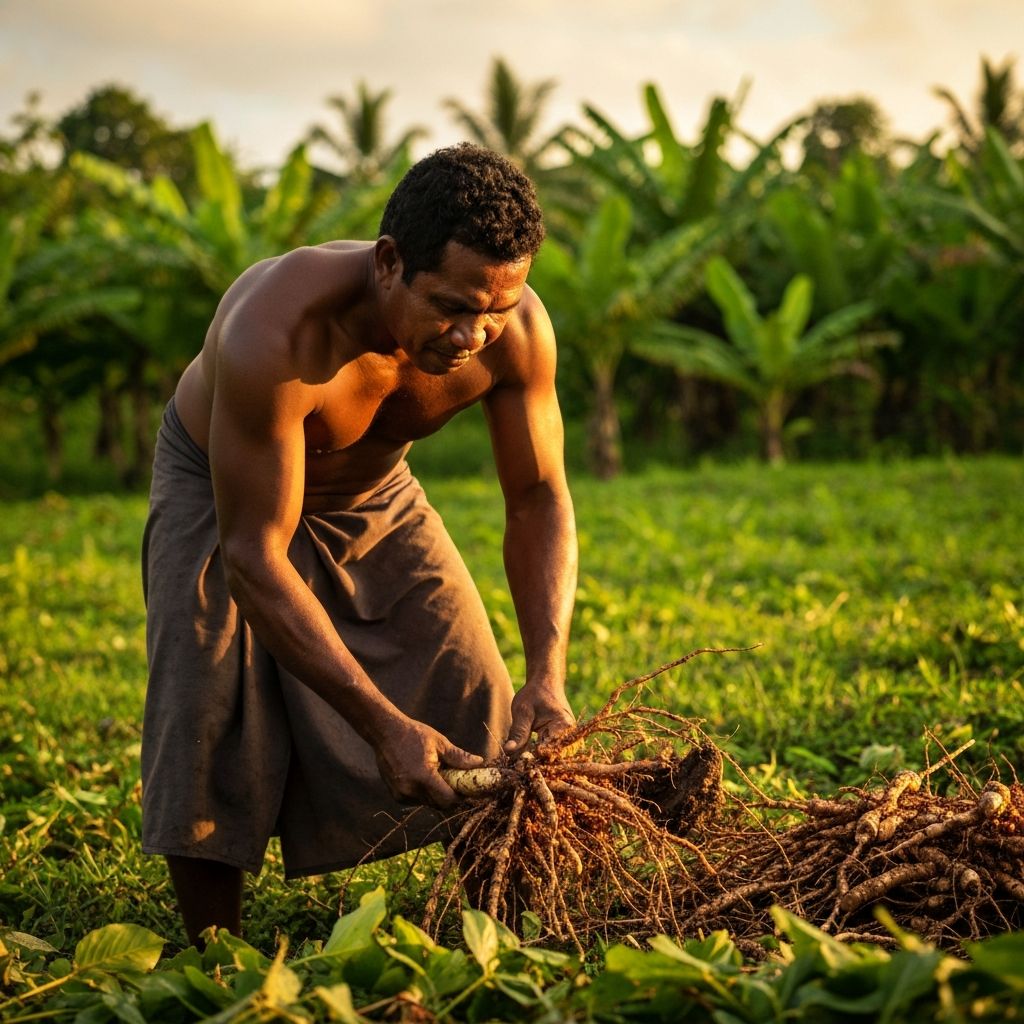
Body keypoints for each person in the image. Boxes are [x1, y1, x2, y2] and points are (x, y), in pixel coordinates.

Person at [141, 143, 578, 946]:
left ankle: (507, 935)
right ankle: (213, 954)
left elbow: (539, 495)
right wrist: (381, 723)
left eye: (494, 311)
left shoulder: (515, 331)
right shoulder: (276, 332)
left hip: (374, 491)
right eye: (450, 305)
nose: (471, 333)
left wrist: (547, 676)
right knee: (206, 705)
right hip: (221, 489)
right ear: (388, 263)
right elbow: (253, 557)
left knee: (476, 690)